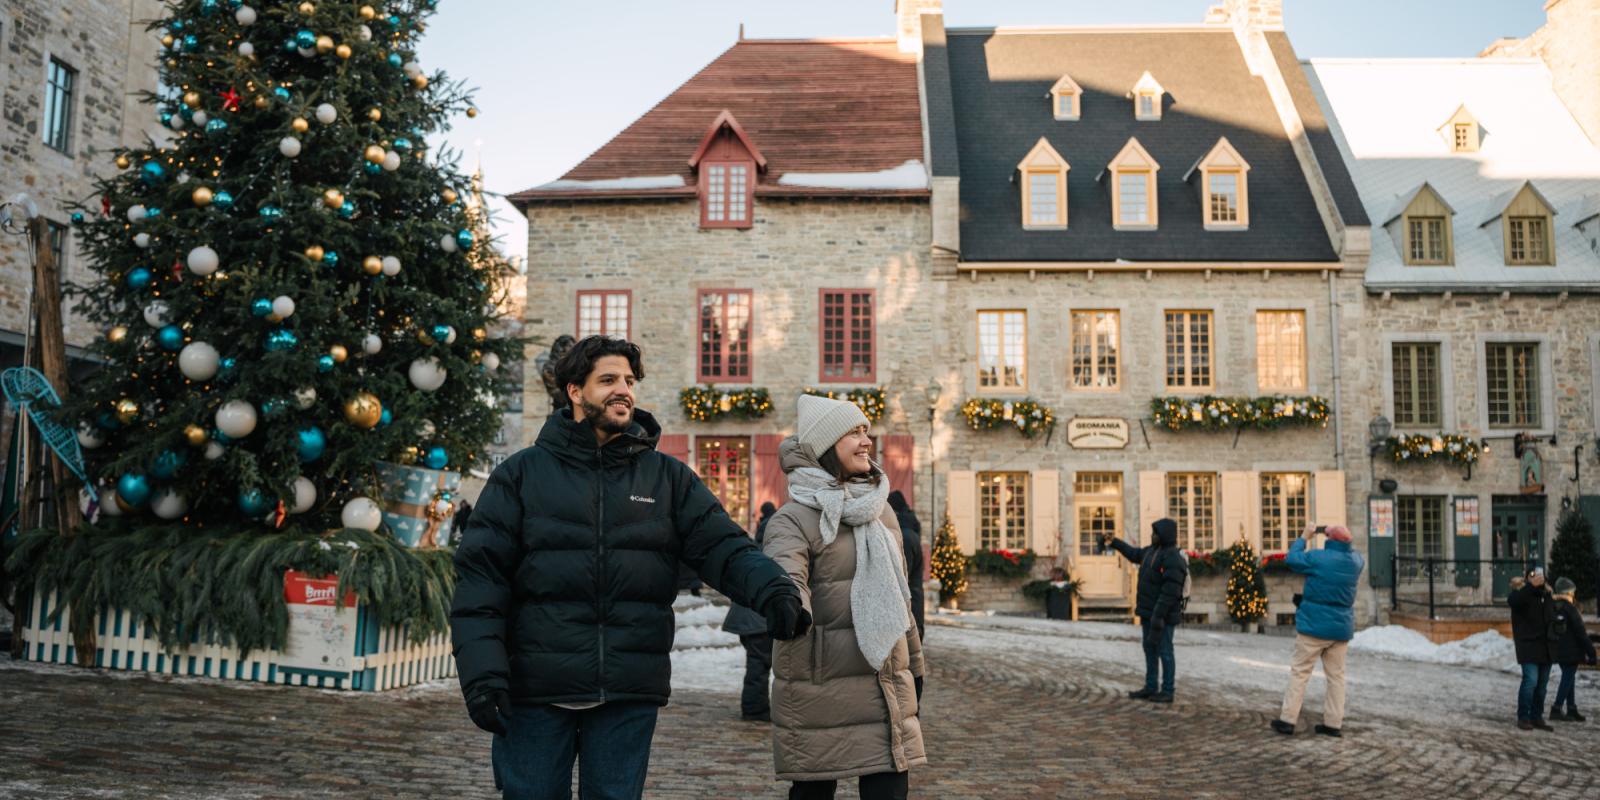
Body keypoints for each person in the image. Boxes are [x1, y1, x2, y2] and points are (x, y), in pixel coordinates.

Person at [450, 336, 810, 800]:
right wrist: (482, 677)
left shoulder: (666, 477)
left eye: (629, 380)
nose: (623, 389)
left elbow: (724, 546)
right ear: (575, 392)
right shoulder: (520, 476)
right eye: (608, 380)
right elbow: (481, 582)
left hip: (626, 689)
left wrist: (774, 591)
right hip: (535, 690)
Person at [765, 395, 926, 800]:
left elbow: (900, 601)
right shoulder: (793, 519)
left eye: (866, 432)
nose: (866, 441)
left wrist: (916, 666)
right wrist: (788, 603)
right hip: (820, 684)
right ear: (825, 445)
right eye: (853, 433)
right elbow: (786, 575)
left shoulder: (881, 510)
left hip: (883, 680)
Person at [1271, 524, 1365, 737]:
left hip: (1313, 626)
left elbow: (1292, 559)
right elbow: (1350, 550)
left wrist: (1305, 536)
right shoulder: (1356, 561)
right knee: (1336, 677)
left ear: (1329, 539)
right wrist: (1338, 534)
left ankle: (1288, 720)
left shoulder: (1318, 558)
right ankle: (1333, 723)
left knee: (1300, 672)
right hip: (1340, 629)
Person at [1102, 519, 1187, 704]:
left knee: (1165, 651)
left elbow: (1170, 591)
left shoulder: (1172, 557)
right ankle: (1150, 686)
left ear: (1163, 535)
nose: (1152, 535)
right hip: (1149, 613)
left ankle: (1167, 690)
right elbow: (1134, 554)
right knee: (1150, 649)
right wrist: (1114, 542)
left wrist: (1159, 614)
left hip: (1163, 615)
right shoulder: (1150, 551)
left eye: (1155, 532)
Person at [723, 501, 780, 722]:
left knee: (757, 662)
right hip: (756, 618)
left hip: (750, 618)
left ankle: (755, 706)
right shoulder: (772, 555)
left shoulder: (752, 551)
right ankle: (755, 709)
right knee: (759, 663)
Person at [1508, 566, 1558, 731]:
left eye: (1540, 576)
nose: (1538, 578)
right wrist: (1530, 586)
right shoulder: (1521, 594)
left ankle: (1537, 716)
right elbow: (1514, 601)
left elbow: (1552, 617)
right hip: (1528, 646)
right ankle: (1523, 717)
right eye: (1533, 576)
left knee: (1542, 685)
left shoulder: (1546, 595)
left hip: (1545, 647)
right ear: (1527, 578)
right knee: (1530, 681)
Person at [1550, 576, 1598, 722]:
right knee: (1567, 678)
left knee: (1568, 678)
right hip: (1571, 650)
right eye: (1572, 591)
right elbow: (1581, 633)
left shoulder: (1553, 606)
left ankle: (1571, 708)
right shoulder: (1570, 609)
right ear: (1569, 592)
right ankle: (1557, 708)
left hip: (1559, 648)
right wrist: (1592, 652)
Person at [887, 490, 926, 641]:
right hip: (913, 609)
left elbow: (902, 578)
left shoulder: (905, 537)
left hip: (909, 612)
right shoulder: (909, 532)